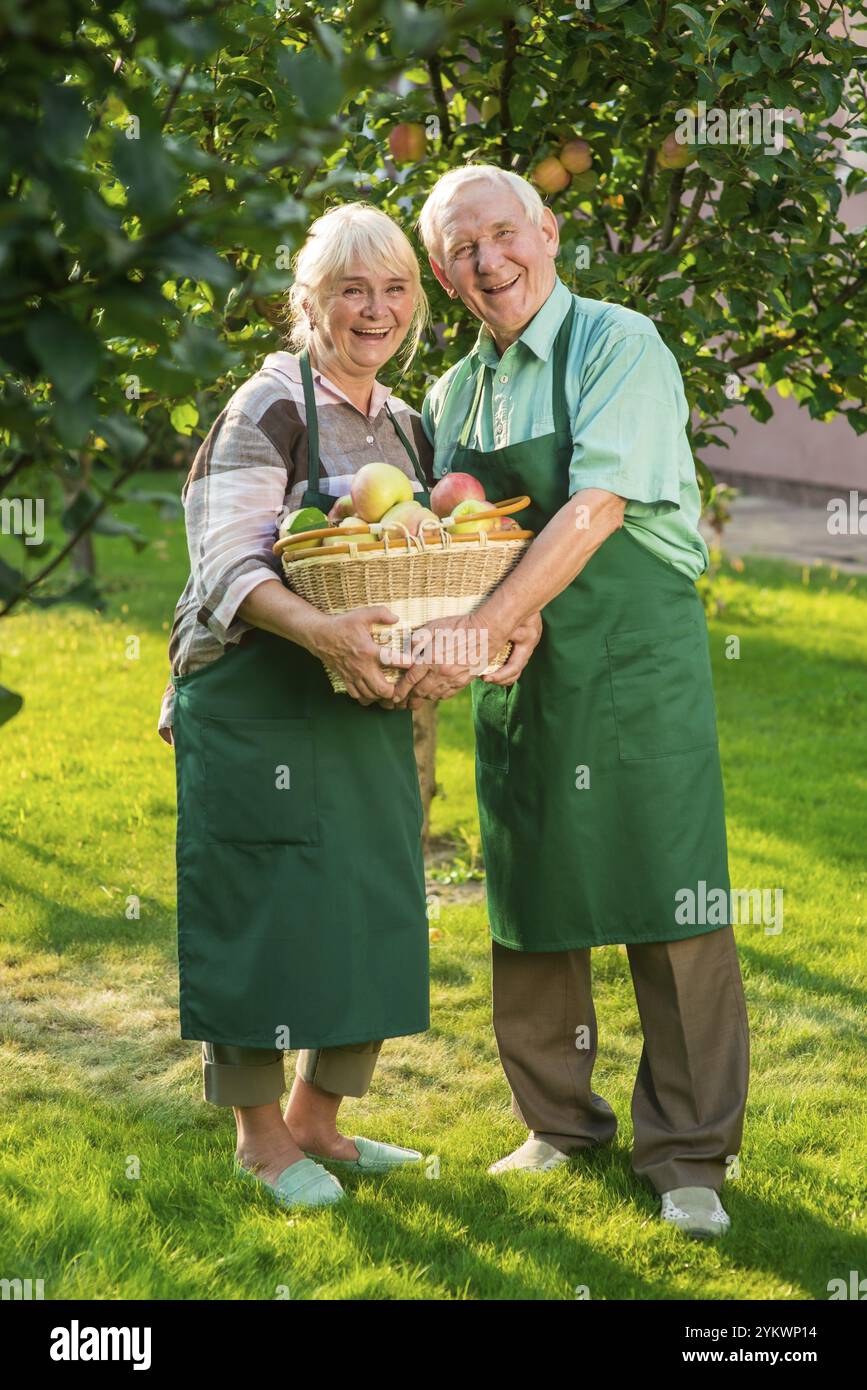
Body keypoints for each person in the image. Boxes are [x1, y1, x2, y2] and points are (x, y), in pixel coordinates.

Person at [393, 164, 749, 1240]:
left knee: (670, 893)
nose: (489, 260)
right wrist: (491, 611)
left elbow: (593, 510)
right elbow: (457, 530)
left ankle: (688, 1153)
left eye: (504, 234)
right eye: (463, 249)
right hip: (524, 671)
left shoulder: (618, 343)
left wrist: (490, 617)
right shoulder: (456, 393)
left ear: (546, 233)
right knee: (533, 896)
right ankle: (559, 1121)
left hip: (634, 659)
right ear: (446, 275)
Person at [157, 203, 437, 1210]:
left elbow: (423, 564)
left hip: (360, 691)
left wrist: (442, 645)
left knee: (368, 899)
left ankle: (322, 1117)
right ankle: (261, 1137)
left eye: (394, 288)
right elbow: (227, 564)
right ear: (306, 303)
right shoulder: (268, 405)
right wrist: (321, 633)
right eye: (350, 290)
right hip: (256, 689)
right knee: (262, 906)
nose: (375, 310)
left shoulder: (406, 424)